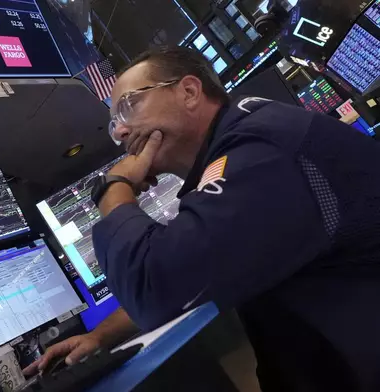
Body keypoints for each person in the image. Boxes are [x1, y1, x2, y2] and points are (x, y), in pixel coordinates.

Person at [24, 46, 380, 391]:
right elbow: (197, 271)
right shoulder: (249, 138)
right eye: (115, 121)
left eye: (129, 106)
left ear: (190, 92)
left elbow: (157, 288)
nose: (119, 131)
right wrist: (99, 336)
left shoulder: (262, 152)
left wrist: (113, 188)